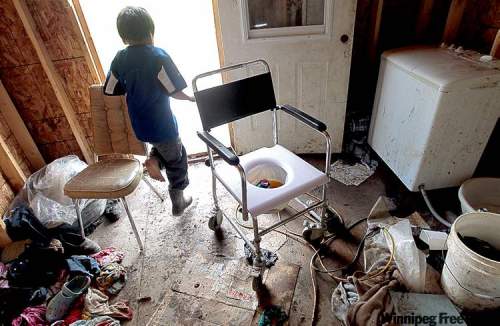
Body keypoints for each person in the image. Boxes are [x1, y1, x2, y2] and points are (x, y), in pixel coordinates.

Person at [104, 6, 193, 216]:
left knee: (169, 149)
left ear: (124, 36)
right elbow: (174, 90)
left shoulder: (120, 58)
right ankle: (178, 200)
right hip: (162, 123)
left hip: (140, 124)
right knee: (177, 160)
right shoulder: (158, 56)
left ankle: (154, 159)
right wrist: (190, 98)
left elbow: (110, 89)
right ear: (150, 31)